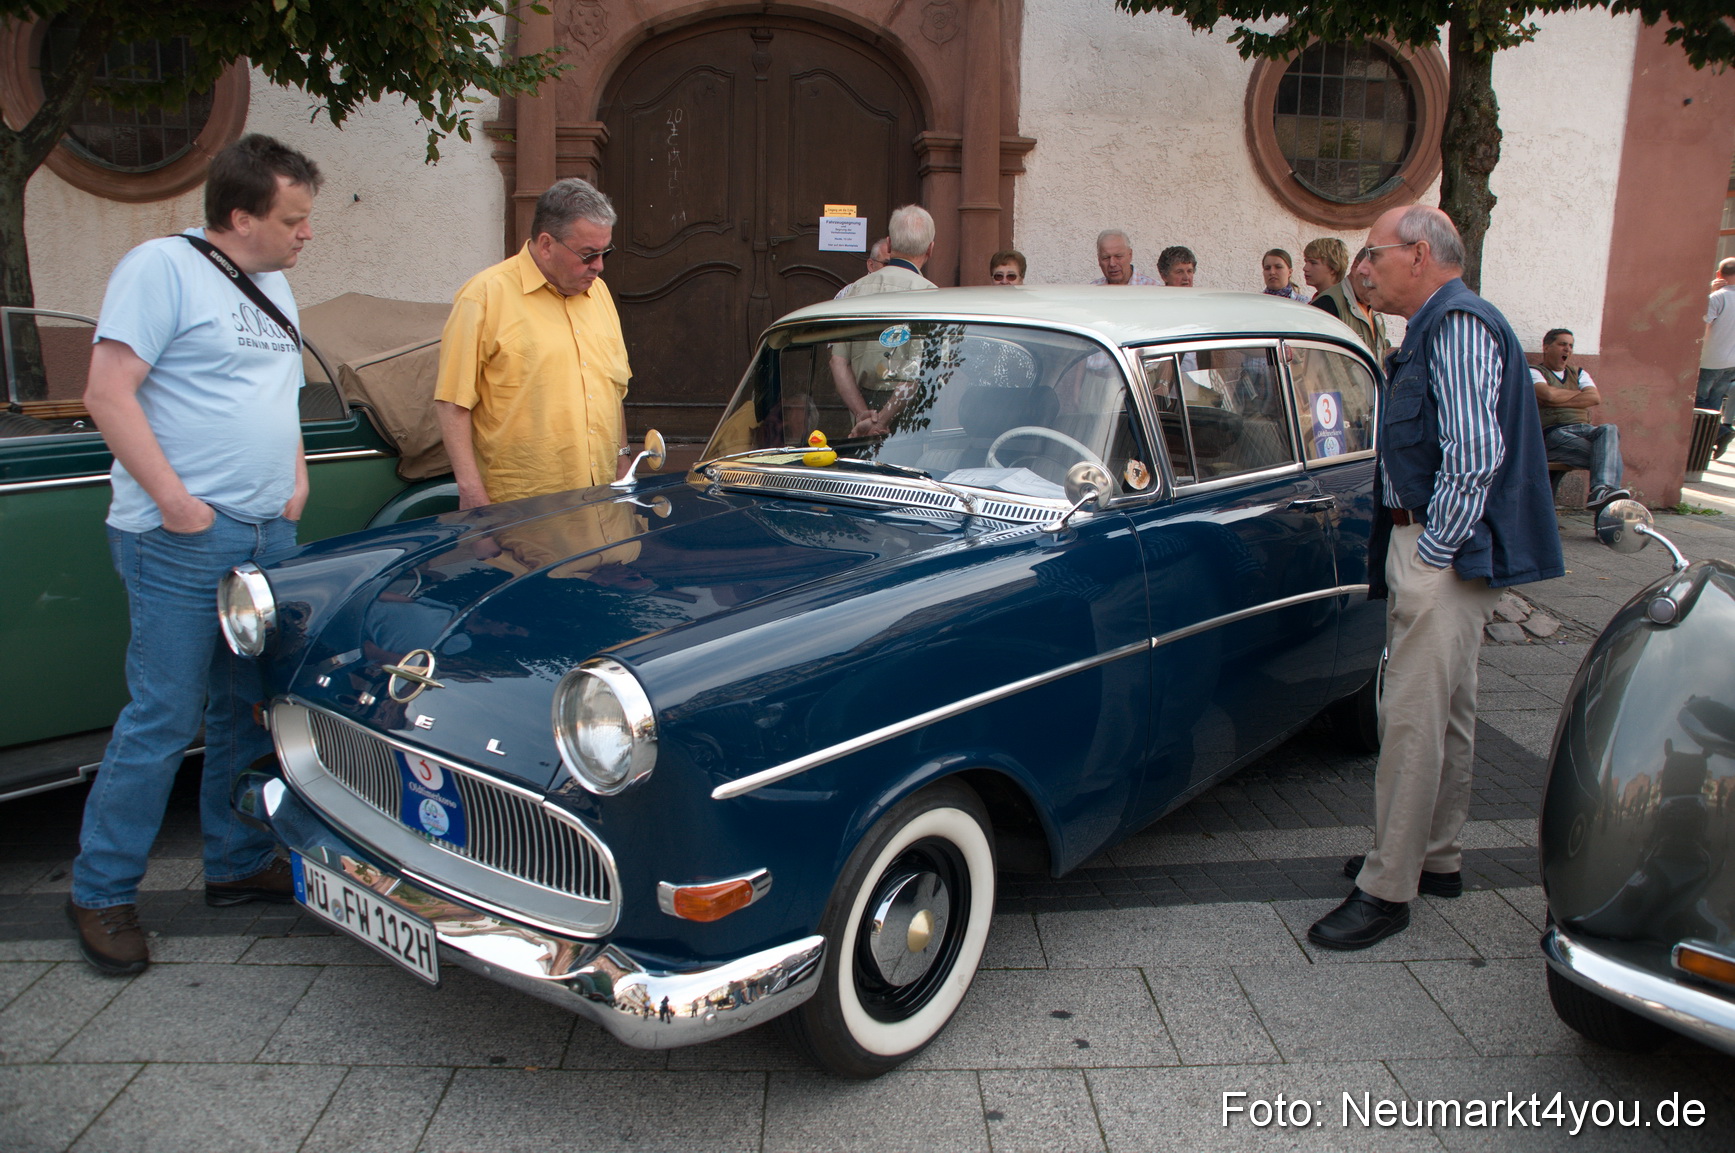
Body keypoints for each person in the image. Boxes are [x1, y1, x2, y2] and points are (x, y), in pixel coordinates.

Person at [68, 135, 324, 975]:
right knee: (163, 716)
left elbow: (274, 397)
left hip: (263, 532)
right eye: (292, 218)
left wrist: (293, 480)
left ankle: (236, 859)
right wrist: (177, 503)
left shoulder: (275, 285)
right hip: (178, 537)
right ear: (240, 215)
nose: (304, 233)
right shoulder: (160, 268)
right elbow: (107, 392)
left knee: (241, 707)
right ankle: (101, 890)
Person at [1307, 205, 1562, 951]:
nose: (1364, 268)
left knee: (1412, 720)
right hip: (1441, 547)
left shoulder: (1454, 326)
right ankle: (1435, 855)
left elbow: (1473, 454)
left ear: (1418, 254)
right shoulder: (1443, 325)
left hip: (1438, 549)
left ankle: (1387, 886)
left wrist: (1430, 551)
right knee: (1446, 711)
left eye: (1373, 254)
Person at [436, 177, 631, 509]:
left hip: (603, 506)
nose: (598, 266)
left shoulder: (598, 292)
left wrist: (624, 464)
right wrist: (472, 499)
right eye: (588, 255)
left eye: (604, 253)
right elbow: (452, 405)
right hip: (525, 514)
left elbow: (614, 389)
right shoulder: (483, 297)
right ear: (546, 245)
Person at [829, 204, 939, 435]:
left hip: (861, 409)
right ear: (930, 249)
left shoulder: (854, 291)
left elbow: (838, 362)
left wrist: (862, 416)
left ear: (889, 244)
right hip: (910, 412)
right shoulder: (931, 296)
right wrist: (882, 422)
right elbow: (917, 372)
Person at [1531, 328, 1630, 508]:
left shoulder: (1579, 373)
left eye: (1570, 346)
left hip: (1584, 430)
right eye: (1562, 344)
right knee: (1610, 457)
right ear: (1546, 347)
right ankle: (1604, 503)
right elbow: (1547, 395)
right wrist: (1578, 396)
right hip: (1555, 434)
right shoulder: (1535, 372)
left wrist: (1556, 399)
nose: (1567, 349)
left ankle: (1601, 490)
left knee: (1610, 429)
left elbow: (1594, 398)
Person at [1303, 237, 1389, 361]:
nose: (1305, 268)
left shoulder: (1372, 305)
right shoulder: (1327, 304)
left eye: (1313, 262)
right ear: (1356, 267)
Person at [1697, 257, 1735, 458]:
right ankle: (1707, 444)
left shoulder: (1718, 297)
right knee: (1714, 402)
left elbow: (1703, 322)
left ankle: (1721, 432)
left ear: (1719, 275)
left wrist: (1711, 292)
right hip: (1732, 362)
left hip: (1711, 359)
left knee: (1699, 402)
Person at [1090, 230, 1158, 285]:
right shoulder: (1092, 291)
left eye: (1118, 256)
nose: (1112, 263)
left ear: (1130, 255)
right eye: (1106, 258)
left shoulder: (1152, 288)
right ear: (1099, 260)